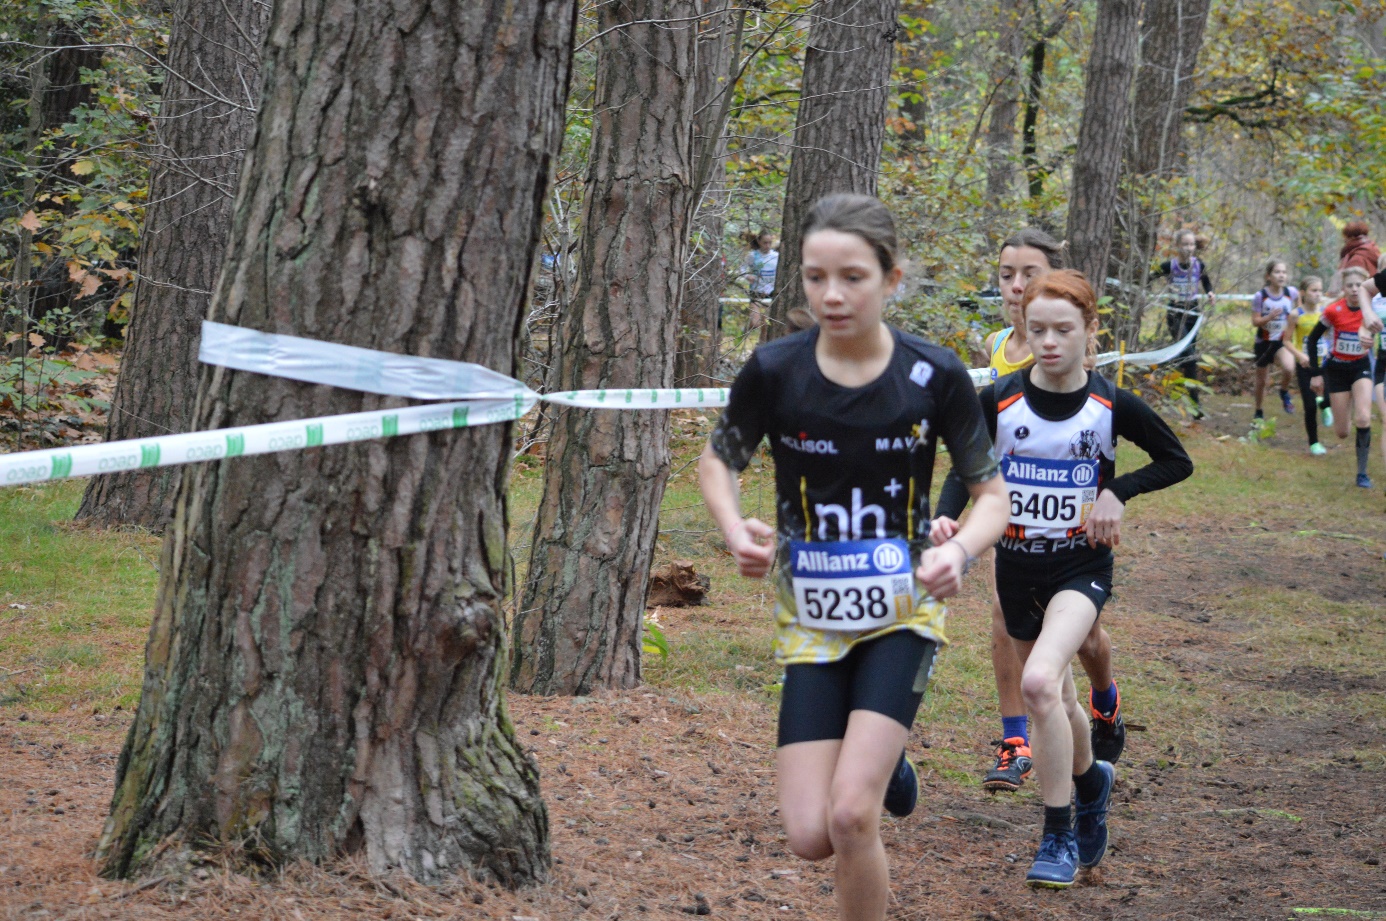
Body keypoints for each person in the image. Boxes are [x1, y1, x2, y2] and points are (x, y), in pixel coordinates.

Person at [699, 194, 1009, 921]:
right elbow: (718, 461)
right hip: (810, 617)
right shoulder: (775, 370)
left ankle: (871, 766)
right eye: (814, 278)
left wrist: (959, 550)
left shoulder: (934, 376)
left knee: (849, 818)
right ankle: (888, 759)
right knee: (809, 834)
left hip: (904, 607)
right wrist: (734, 526)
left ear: (891, 279)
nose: (831, 295)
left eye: (852, 277)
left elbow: (992, 495)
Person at [931, 270, 1193, 888]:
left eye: (1063, 330)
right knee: (1064, 703)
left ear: (1090, 331)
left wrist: (1115, 491)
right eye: (1036, 329)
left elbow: (1176, 459)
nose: (1048, 342)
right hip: (1016, 565)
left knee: (1041, 682)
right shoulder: (997, 398)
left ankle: (1058, 835)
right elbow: (964, 465)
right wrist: (947, 516)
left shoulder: (1110, 405)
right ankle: (1090, 780)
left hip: (1080, 566)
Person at [973, 229, 1124, 795]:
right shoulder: (999, 347)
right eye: (1006, 273)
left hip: (1076, 537)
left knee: (1087, 644)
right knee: (1001, 616)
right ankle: (1017, 740)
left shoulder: (1070, 339)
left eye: (1028, 273)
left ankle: (1104, 697)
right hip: (1013, 523)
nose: (1015, 285)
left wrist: (1113, 492)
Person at [1306, 266, 1384, 489]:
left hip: (1361, 367)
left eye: (1358, 285)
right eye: (1349, 285)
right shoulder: (1333, 311)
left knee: (1363, 419)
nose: (1354, 289)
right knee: (1342, 432)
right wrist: (1316, 373)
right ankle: (1342, 407)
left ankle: (1362, 473)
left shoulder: (1372, 309)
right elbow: (1312, 341)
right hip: (1337, 370)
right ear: (1343, 288)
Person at [1150, 230, 1215, 417]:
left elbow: (1207, 283)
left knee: (1190, 360)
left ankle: (1195, 406)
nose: (1188, 248)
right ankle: (1165, 371)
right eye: (1185, 244)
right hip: (1175, 313)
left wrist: (1210, 293)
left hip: (1193, 313)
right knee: (1188, 355)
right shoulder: (1169, 266)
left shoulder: (1199, 265)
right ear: (1178, 246)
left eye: (1191, 244)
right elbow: (1150, 277)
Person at [1284, 276, 1333, 455]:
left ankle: (1324, 403)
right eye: (1314, 290)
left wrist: (1330, 350)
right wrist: (1299, 355)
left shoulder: (1325, 313)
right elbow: (1286, 340)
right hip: (1304, 365)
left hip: (1323, 362)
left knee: (1329, 398)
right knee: (1309, 406)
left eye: (1320, 290)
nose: (1317, 294)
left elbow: (1329, 335)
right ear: (1303, 293)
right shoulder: (1296, 315)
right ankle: (1314, 443)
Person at [1250, 261, 1299, 421]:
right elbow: (1255, 321)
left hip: (1281, 340)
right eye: (1277, 272)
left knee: (1289, 368)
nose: (1281, 275)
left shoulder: (1291, 292)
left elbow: (1299, 309)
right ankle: (1258, 410)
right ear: (1268, 276)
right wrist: (1268, 317)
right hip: (1263, 341)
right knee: (1262, 380)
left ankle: (1283, 391)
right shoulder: (1260, 296)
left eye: (1284, 272)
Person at [739, 230, 778, 332]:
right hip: (756, 292)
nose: (768, 245)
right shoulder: (753, 255)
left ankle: (762, 344)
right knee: (756, 323)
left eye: (770, 243)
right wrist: (748, 276)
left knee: (765, 324)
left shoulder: (776, 256)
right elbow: (742, 268)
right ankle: (747, 328)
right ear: (759, 242)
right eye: (765, 242)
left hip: (771, 292)